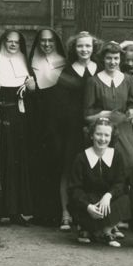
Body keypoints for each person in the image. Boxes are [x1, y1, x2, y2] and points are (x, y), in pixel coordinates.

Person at [0, 29, 36, 225]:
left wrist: (31, 89)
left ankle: (15, 210)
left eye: (16, 42)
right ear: (3, 42)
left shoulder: (25, 63)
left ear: (21, 45)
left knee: (16, 160)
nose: (13, 45)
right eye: (9, 41)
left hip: (19, 119)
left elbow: (31, 96)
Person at [52, 31, 99, 230]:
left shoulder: (101, 69)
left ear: (93, 48)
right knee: (69, 170)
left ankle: (90, 214)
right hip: (71, 128)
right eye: (80, 46)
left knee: (94, 170)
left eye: (88, 46)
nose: (84, 50)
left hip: (95, 128)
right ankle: (66, 213)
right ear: (74, 48)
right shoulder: (67, 71)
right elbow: (60, 105)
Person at [27, 27, 69, 227]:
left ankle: (57, 212)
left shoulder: (64, 63)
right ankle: (39, 212)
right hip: (37, 121)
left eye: (50, 41)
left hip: (58, 122)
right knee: (38, 167)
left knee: (56, 166)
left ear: (56, 42)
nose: (46, 44)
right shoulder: (30, 63)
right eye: (43, 41)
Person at [66, 118, 132, 247]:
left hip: (107, 203)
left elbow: (120, 182)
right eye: (98, 134)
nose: (102, 139)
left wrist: (109, 195)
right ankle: (87, 229)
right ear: (91, 135)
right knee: (76, 202)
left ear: (111, 137)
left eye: (106, 135)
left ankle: (106, 230)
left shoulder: (116, 156)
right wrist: (88, 206)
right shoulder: (81, 158)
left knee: (126, 199)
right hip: (89, 204)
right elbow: (74, 189)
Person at [84, 40, 133, 169]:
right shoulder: (93, 81)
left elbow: (132, 104)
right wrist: (101, 115)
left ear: (120, 59)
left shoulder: (128, 80)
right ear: (103, 59)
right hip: (102, 129)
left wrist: (132, 112)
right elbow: (87, 113)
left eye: (116, 58)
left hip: (124, 130)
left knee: (129, 161)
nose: (112, 62)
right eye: (109, 58)